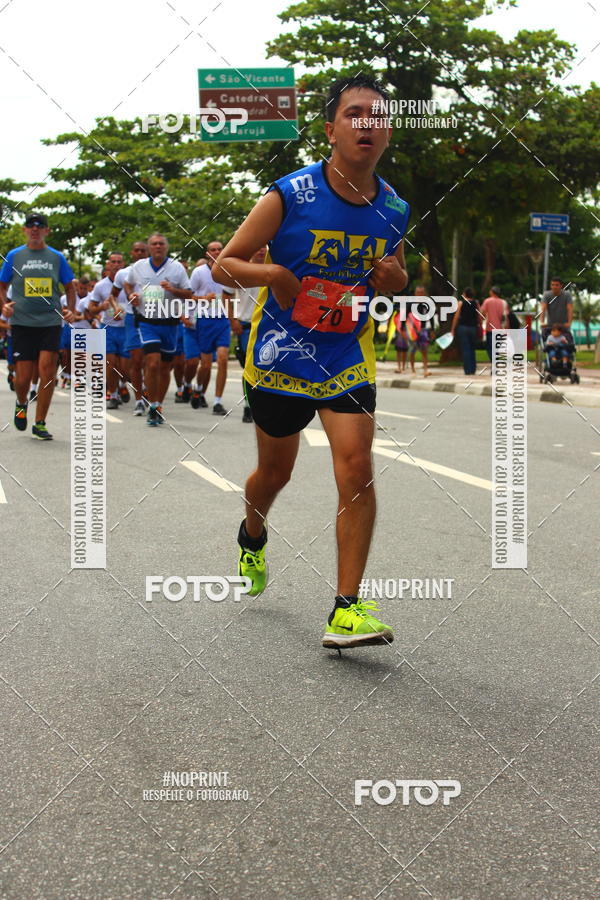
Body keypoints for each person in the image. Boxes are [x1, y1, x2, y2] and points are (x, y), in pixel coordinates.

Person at [212, 74, 410, 650]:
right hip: (280, 355)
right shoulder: (289, 195)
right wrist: (272, 273)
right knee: (276, 474)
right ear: (331, 129)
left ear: (388, 132)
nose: (365, 125)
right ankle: (252, 534)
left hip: (347, 353)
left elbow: (391, 277)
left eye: (376, 117)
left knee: (355, 468)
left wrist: (395, 280)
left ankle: (345, 610)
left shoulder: (394, 207)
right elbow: (226, 265)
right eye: (353, 115)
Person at [0, 212, 76, 440]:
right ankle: (22, 403)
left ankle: (40, 422)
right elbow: (2, 286)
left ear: (46, 231)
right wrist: (4, 306)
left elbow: (69, 287)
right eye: (30, 226)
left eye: (39, 226)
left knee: (47, 371)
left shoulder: (56, 257)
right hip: (22, 322)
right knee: (22, 378)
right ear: (25, 230)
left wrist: (70, 308)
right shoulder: (14, 256)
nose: (35, 229)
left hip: (50, 322)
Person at [125, 233, 192, 426]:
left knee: (164, 368)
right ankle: (152, 404)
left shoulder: (177, 268)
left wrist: (172, 289)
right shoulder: (138, 267)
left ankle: (158, 405)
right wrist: (132, 295)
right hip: (147, 322)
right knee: (152, 363)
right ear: (149, 248)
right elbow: (127, 284)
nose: (158, 247)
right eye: (154, 244)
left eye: (161, 244)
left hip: (170, 323)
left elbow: (188, 294)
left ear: (167, 247)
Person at [189, 240, 235, 415]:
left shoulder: (228, 270)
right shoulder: (199, 272)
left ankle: (217, 401)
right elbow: (188, 295)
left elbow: (232, 294)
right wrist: (202, 300)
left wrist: (233, 318)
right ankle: (198, 389)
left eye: (219, 249)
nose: (216, 252)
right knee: (206, 365)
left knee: (223, 359)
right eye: (213, 250)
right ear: (207, 253)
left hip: (223, 320)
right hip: (205, 320)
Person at [229, 246, 267, 422]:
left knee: (266, 367)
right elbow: (226, 295)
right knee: (248, 367)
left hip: (268, 325)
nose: (260, 251)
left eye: (264, 248)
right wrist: (233, 320)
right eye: (257, 248)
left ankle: (266, 404)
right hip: (245, 325)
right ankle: (247, 406)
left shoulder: (274, 268)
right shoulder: (241, 269)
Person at [112, 240, 149, 415]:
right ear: (132, 254)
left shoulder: (158, 271)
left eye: (143, 250)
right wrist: (116, 307)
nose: (140, 253)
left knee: (151, 360)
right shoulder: (123, 274)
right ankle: (139, 400)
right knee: (135, 360)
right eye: (137, 250)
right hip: (133, 318)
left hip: (154, 318)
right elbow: (113, 295)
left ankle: (149, 391)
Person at [89, 252, 129, 409]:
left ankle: (122, 384)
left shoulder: (129, 282)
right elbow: (91, 309)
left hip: (127, 328)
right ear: (108, 265)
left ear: (123, 264)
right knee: (110, 364)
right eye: (113, 262)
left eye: (119, 261)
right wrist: (101, 307)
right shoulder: (100, 286)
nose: (116, 264)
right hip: (108, 328)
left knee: (126, 367)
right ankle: (113, 394)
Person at [450, 287, 480, 375]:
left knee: (466, 349)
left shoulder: (461, 303)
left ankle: (467, 370)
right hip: (473, 328)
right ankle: (473, 369)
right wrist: (479, 325)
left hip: (463, 327)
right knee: (472, 348)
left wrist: (452, 328)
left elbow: (456, 316)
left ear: (465, 294)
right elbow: (479, 316)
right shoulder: (476, 303)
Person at [406, 286, 434, 377]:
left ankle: (425, 369)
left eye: (422, 293)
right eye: (418, 292)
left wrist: (432, 330)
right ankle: (413, 370)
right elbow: (404, 317)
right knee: (412, 351)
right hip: (412, 331)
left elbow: (431, 317)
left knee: (424, 350)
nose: (420, 294)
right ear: (415, 293)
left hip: (423, 330)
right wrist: (403, 330)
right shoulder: (410, 304)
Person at [481, 285, 508, 361]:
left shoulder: (487, 301)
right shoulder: (503, 302)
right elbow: (506, 317)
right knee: (497, 348)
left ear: (492, 292)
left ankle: (493, 363)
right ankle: (496, 363)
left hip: (490, 328)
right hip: (500, 329)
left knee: (490, 348)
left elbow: (482, 312)